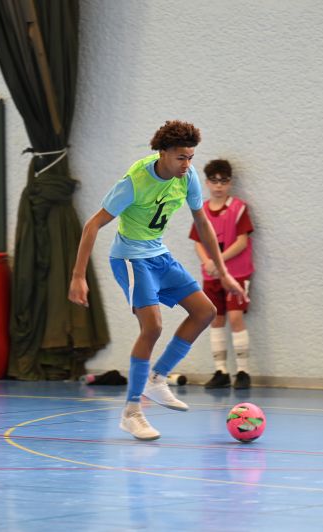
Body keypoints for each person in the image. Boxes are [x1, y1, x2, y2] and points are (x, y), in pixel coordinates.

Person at [68, 120, 247, 441]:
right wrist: (78, 276)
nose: (187, 164)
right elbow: (92, 225)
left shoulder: (187, 177)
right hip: (130, 259)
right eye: (181, 157)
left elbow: (202, 222)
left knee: (204, 311)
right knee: (152, 327)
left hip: (159, 255)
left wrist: (223, 271)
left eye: (190, 157)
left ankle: (158, 376)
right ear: (162, 153)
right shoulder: (135, 181)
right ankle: (131, 412)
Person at [188, 159, 255, 389]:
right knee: (215, 319)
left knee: (235, 318)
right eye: (214, 181)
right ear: (207, 183)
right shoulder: (202, 210)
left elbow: (242, 241)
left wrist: (218, 260)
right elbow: (198, 242)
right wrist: (207, 262)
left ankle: (243, 372)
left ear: (230, 183)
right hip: (211, 276)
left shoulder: (239, 208)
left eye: (224, 181)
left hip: (236, 274)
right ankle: (221, 372)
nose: (219, 186)